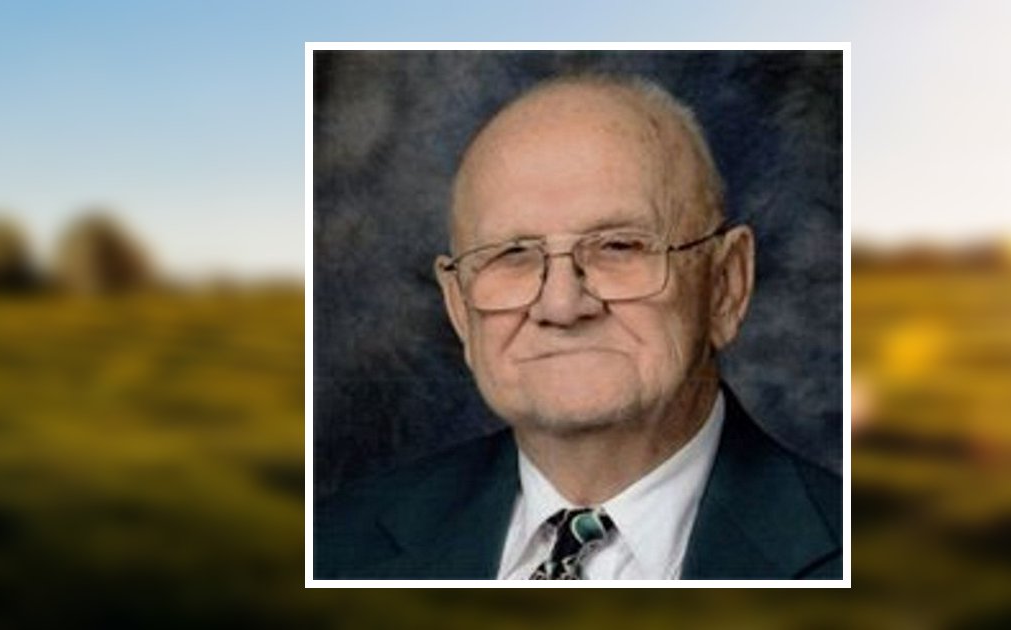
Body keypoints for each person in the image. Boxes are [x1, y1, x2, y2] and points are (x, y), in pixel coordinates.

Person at [315, 74, 841, 580]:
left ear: (725, 285)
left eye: (619, 246)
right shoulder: (332, 546)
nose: (563, 305)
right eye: (512, 254)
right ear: (459, 307)